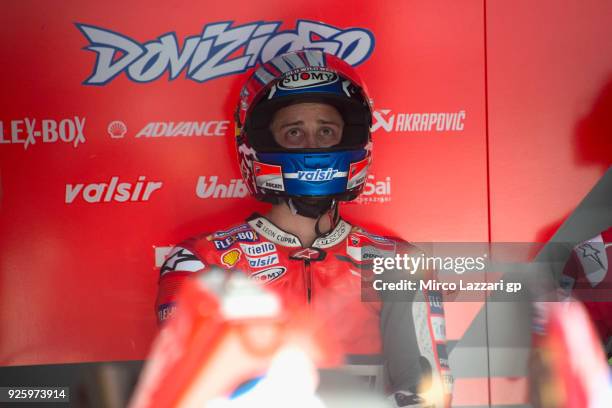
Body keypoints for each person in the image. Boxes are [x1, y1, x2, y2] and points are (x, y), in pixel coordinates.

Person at [155, 50, 452, 407]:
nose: (312, 145)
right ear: (261, 141)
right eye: (294, 131)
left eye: (326, 131)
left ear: (352, 137)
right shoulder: (201, 264)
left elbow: (428, 397)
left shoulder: (398, 263)